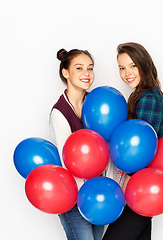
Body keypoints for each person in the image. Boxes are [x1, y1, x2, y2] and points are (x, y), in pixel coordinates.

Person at [102, 42, 163, 240]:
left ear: (144, 65)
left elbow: (141, 150)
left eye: (132, 66)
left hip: (139, 187)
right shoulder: (142, 95)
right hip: (144, 188)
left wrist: (125, 185)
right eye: (122, 68)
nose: (126, 73)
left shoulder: (148, 98)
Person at [49, 48, 105, 240]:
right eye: (79, 68)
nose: (86, 74)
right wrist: (86, 197)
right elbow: (68, 161)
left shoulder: (98, 104)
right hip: (73, 194)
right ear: (66, 72)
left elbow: (107, 147)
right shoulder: (60, 113)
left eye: (90, 68)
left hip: (99, 192)